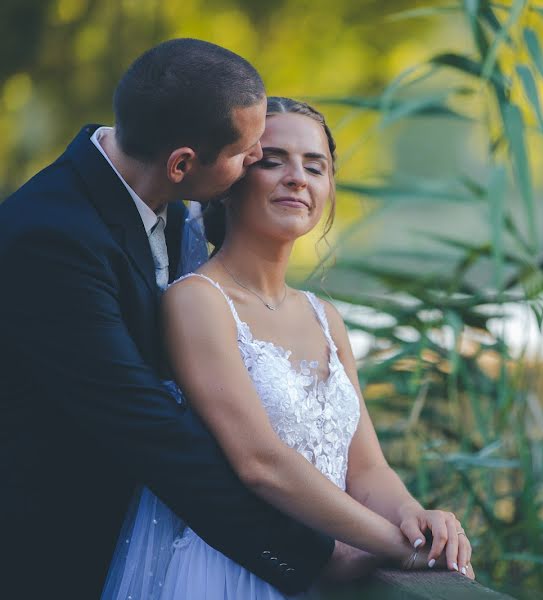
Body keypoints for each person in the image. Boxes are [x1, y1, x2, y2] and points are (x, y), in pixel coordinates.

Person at [0, 40, 337, 598]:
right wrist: (308, 553)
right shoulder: (50, 239)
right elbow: (146, 424)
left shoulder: (175, 206)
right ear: (182, 163)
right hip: (51, 552)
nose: (257, 161)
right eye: (249, 152)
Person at [103, 97, 475, 599]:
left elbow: (366, 469)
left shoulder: (327, 318)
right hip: (229, 573)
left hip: (321, 573)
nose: (297, 177)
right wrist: (391, 544)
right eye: (272, 161)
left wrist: (412, 516)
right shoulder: (197, 302)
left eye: (314, 166)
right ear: (231, 179)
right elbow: (260, 463)